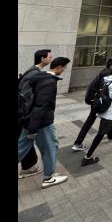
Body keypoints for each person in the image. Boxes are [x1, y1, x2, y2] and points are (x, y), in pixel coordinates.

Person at [17, 57, 71, 189]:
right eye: (64, 68)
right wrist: (33, 129)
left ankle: (49, 175)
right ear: (59, 67)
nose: (64, 70)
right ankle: (49, 177)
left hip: (29, 120)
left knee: (20, 148)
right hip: (41, 124)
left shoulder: (39, 77)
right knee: (51, 147)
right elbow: (41, 106)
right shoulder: (49, 82)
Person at [81, 63, 112, 166]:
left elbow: (110, 93)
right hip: (111, 111)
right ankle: (88, 157)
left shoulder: (107, 79)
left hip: (107, 109)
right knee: (100, 133)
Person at [18, 48, 52, 178]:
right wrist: (28, 116)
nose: (50, 59)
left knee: (26, 143)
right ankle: (45, 173)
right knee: (26, 143)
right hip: (26, 116)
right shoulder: (33, 74)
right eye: (49, 57)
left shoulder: (35, 71)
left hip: (27, 116)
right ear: (42, 58)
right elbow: (26, 97)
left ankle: (29, 167)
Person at [72, 58, 112, 152]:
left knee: (105, 120)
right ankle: (78, 143)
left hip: (95, 101)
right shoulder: (107, 74)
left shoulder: (104, 72)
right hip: (98, 102)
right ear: (111, 66)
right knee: (108, 119)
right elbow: (103, 90)